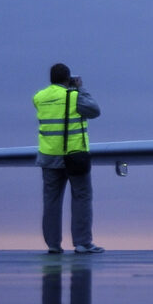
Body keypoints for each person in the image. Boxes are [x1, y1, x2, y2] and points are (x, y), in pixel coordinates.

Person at [34, 63, 102, 254]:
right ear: (68, 78)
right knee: (81, 197)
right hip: (75, 156)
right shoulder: (75, 97)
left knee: (51, 202)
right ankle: (82, 243)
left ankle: (53, 245)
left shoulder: (39, 98)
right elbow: (95, 110)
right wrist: (80, 88)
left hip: (48, 157)